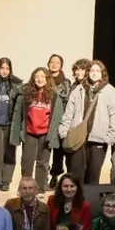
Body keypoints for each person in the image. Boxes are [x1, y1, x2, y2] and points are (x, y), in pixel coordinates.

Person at [58, 59, 115, 185]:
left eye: (97, 71)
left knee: (93, 177)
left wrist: (110, 138)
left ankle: (90, 198)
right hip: (78, 140)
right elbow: (68, 113)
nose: (94, 73)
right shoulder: (78, 90)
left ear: (102, 73)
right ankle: (76, 198)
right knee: (76, 176)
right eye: (92, 70)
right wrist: (64, 134)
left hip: (98, 141)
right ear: (88, 72)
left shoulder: (109, 91)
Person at [10, 67, 56, 192]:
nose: (39, 79)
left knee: (42, 163)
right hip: (30, 132)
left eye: (42, 77)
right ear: (33, 78)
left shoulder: (53, 95)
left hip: (45, 134)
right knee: (27, 161)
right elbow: (18, 114)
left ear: (47, 78)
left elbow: (56, 116)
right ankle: (26, 188)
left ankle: (40, 188)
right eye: (37, 77)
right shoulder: (26, 94)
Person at [0, 58, 21, 192]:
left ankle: (6, 181)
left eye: (7, 68)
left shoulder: (16, 84)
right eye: (2, 68)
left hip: (10, 125)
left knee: (10, 154)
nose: (4, 71)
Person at [46, 54, 72, 188]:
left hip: (60, 120)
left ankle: (55, 175)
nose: (54, 64)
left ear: (61, 65)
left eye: (57, 62)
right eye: (52, 62)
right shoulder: (43, 78)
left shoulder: (66, 82)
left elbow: (65, 99)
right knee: (44, 150)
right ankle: (42, 176)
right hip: (45, 119)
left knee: (58, 151)